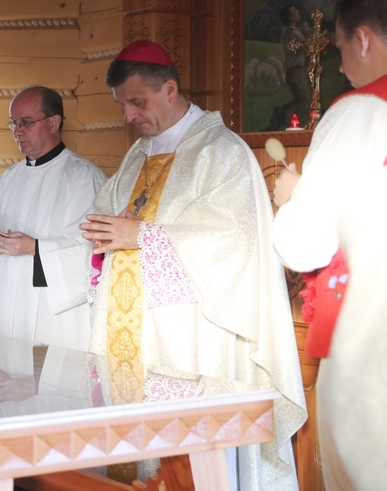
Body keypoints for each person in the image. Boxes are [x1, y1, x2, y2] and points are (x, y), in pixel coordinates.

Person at [79, 40, 306, 489]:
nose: (128, 116)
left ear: (170, 88)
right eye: (122, 105)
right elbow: (104, 218)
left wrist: (139, 235)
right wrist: (106, 230)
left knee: (193, 468)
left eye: (136, 102)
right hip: (135, 343)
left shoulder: (222, 153)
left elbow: (232, 245)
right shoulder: (136, 157)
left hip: (194, 343)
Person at [272, 0, 387, 487]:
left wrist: (292, 199)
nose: (340, 64)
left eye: (340, 46)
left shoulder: (361, 112)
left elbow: (308, 245)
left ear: (362, 38)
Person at [0, 85, 106, 352]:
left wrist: (34, 248)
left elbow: (94, 254)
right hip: (5, 309)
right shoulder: (6, 181)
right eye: (13, 123)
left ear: (54, 122)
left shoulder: (84, 178)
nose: (17, 131)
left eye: (25, 123)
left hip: (54, 317)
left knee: (47, 386)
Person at [269, 4, 312, 130]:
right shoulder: (293, 33)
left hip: (292, 71)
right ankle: (284, 117)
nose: (297, 11)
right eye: (294, 11)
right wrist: (306, 32)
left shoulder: (289, 32)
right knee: (304, 102)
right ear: (290, 17)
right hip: (296, 71)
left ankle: (281, 112)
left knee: (300, 99)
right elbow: (308, 47)